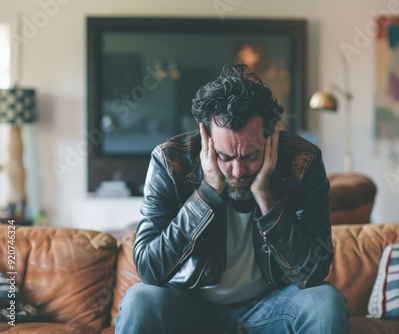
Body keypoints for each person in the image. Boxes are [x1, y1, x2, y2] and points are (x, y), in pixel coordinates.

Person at [115, 63, 349, 333]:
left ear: (271, 136)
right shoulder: (170, 161)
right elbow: (149, 270)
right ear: (206, 137)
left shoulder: (303, 161)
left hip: (271, 307)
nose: (237, 171)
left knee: (325, 303)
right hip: (191, 306)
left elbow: (313, 271)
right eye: (224, 157)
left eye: (250, 156)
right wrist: (207, 194)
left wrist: (265, 196)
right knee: (140, 300)